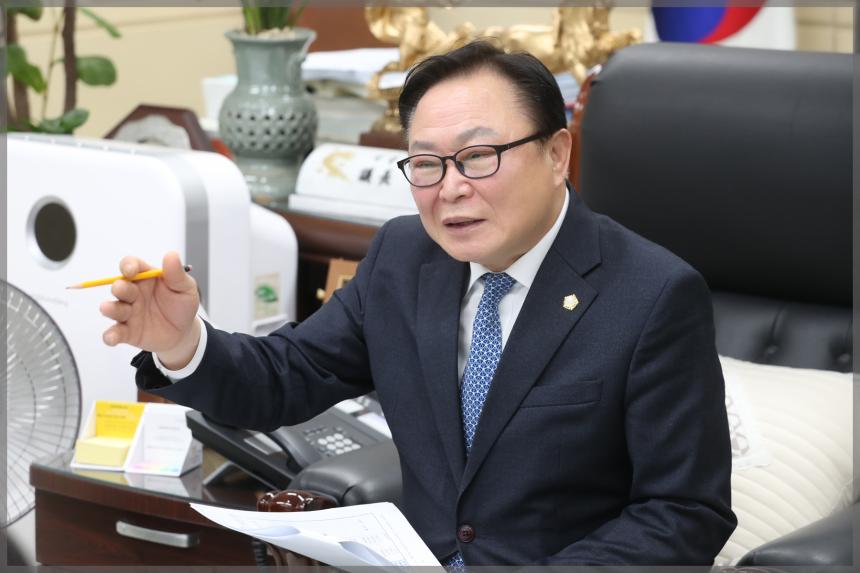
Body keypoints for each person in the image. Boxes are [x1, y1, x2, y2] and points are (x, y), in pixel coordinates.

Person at [102, 41, 736, 565]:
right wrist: (182, 343)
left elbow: (683, 513)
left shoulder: (652, 295)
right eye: (427, 164)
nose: (450, 188)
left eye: (479, 157)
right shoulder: (404, 258)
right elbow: (287, 377)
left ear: (556, 154)